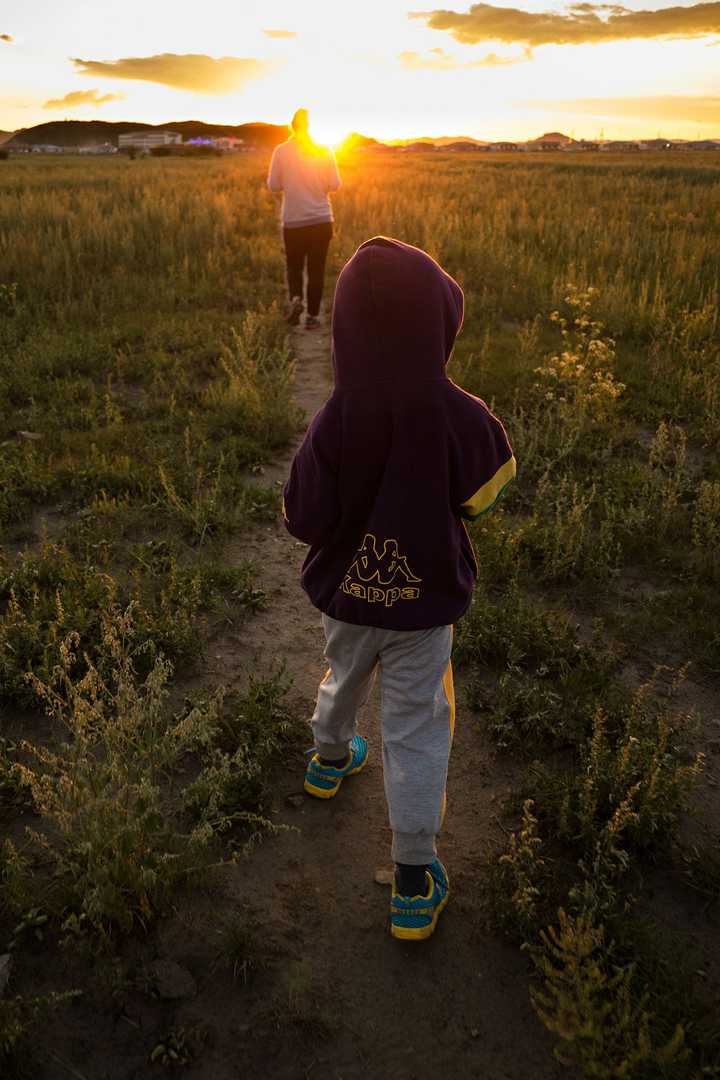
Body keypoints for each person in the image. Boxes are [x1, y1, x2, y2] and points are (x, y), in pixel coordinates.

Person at [282, 237, 516, 941]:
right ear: (437, 323)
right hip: (425, 610)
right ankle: (413, 876)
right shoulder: (459, 412)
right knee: (416, 728)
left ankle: (328, 759)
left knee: (343, 677)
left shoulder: (335, 418)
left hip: (350, 600)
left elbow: (303, 517)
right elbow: (484, 495)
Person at [267, 108, 341, 330]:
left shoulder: (281, 151)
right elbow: (335, 184)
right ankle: (312, 317)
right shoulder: (324, 150)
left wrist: (291, 181)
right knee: (316, 269)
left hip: (294, 221)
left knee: (294, 266)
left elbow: (273, 185)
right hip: (321, 220)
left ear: (292, 126)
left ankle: (297, 299)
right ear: (311, 127)